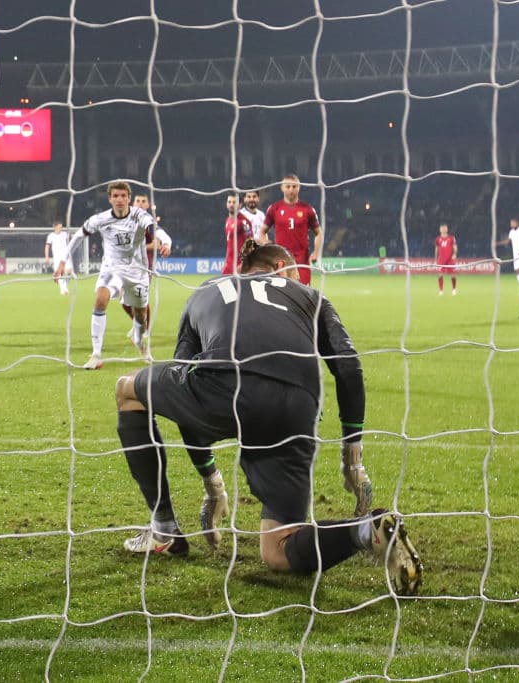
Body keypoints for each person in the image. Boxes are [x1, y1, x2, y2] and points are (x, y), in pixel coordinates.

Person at [112, 240, 422, 595]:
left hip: (224, 390)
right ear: (280, 266)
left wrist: (211, 480)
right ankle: (366, 530)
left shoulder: (207, 289)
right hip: (297, 405)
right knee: (277, 550)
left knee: (127, 391)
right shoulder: (309, 295)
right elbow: (348, 368)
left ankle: (164, 528)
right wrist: (353, 458)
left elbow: (186, 381)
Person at [68, 181, 155, 369]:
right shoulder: (101, 219)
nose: (120, 199)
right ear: (110, 199)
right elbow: (79, 235)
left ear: (129, 198)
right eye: (115, 196)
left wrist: (157, 240)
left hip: (137, 272)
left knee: (140, 315)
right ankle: (96, 354)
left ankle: (140, 342)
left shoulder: (139, 214)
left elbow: (150, 225)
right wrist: (63, 261)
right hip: (112, 269)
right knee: (100, 299)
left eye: (123, 196)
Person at [121, 194, 172, 347]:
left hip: (144, 266)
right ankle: (139, 325)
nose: (140, 204)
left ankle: (145, 330)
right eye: (138, 201)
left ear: (148, 205)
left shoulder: (148, 222)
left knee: (140, 300)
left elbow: (162, 239)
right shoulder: (125, 219)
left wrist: (166, 245)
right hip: (126, 265)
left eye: (144, 201)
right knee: (124, 301)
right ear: (132, 203)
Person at [259, 174, 322, 286]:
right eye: (288, 187)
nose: (291, 190)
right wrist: (265, 244)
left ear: (299, 188)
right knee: (281, 297)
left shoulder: (308, 209)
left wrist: (316, 252)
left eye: (294, 186)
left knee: (303, 296)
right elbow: (263, 231)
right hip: (281, 262)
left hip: (302, 262)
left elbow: (318, 233)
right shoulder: (274, 208)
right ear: (282, 188)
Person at [495, 217, 519, 296]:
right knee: (518, 271)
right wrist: (497, 244)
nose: (511, 224)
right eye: (511, 223)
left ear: (517, 223)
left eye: (513, 223)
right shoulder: (511, 232)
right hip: (516, 254)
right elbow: (508, 241)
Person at [222, 193, 254, 275]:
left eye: (234, 202)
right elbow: (229, 244)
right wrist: (225, 262)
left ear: (240, 205)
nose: (231, 204)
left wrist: (243, 264)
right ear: (226, 204)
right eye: (229, 202)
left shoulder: (244, 222)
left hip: (240, 266)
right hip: (228, 266)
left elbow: (250, 245)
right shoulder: (227, 220)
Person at [44, 221, 73, 296]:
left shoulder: (65, 234)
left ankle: (65, 287)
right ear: (55, 227)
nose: (61, 228)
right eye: (60, 227)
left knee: (69, 271)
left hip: (66, 257)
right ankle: (63, 289)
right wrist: (47, 257)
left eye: (61, 227)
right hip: (57, 258)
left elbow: (72, 237)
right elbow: (47, 247)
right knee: (59, 273)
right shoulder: (51, 236)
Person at [434, 223, 457, 295]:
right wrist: (435, 258)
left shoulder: (451, 238)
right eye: (442, 228)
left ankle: (454, 289)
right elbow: (436, 249)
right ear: (440, 229)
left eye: (445, 228)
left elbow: (455, 247)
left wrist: (454, 254)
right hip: (441, 259)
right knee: (440, 274)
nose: (443, 229)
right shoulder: (438, 239)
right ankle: (441, 290)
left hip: (450, 259)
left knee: (453, 274)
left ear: (447, 229)